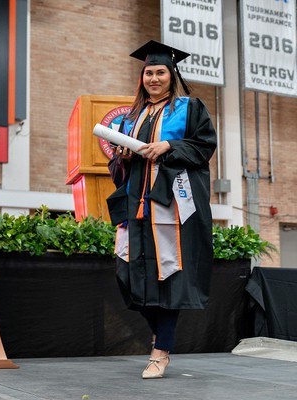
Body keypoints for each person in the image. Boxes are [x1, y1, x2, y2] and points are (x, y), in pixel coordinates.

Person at [106, 40, 217, 379]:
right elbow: (117, 165)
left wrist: (169, 145)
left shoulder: (189, 108)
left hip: (169, 208)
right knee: (126, 274)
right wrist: (121, 158)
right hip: (134, 207)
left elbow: (204, 146)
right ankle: (162, 335)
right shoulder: (130, 118)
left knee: (169, 276)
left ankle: (160, 350)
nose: (154, 78)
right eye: (148, 73)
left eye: (160, 72)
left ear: (172, 75)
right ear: (142, 78)